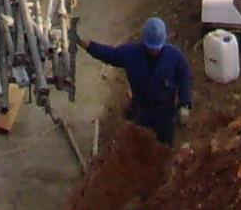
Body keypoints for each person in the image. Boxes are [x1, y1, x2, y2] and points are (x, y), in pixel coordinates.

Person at [80, 17, 194, 145]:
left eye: (157, 48)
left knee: (164, 148)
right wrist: (86, 44)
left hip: (165, 113)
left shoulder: (175, 57)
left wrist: (185, 103)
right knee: (139, 146)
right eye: (151, 48)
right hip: (141, 110)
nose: (154, 51)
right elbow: (109, 54)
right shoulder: (131, 54)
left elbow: (185, 77)